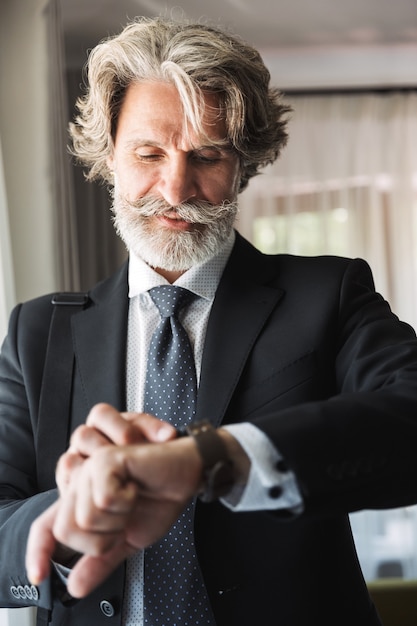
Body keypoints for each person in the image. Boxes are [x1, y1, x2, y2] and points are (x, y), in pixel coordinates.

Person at [1, 15, 417, 626]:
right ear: (108, 157)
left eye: (207, 155)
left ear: (243, 164)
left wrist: (208, 459)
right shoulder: (37, 334)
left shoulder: (329, 293)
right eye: (148, 153)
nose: (175, 187)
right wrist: (61, 523)